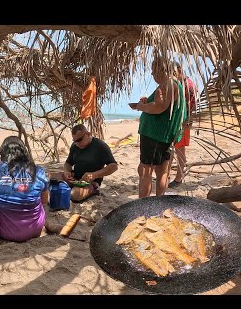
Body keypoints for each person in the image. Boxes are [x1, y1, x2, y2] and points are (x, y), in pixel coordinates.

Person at [0, 136, 49, 242]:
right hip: (36, 229)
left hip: (6, 232)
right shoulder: (38, 171)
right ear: (24, 152)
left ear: (2, 152)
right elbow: (44, 201)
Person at [130, 56, 186, 198]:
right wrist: (146, 102)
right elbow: (162, 105)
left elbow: (159, 107)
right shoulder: (174, 84)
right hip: (164, 135)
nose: (152, 75)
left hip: (155, 135)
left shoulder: (168, 84)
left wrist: (142, 106)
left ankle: (143, 205)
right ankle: (159, 203)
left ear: (161, 69)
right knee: (162, 171)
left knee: (145, 171)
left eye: (153, 71)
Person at [62, 124, 118, 202]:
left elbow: (114, 166)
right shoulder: (75, 146)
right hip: (74, 179)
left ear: (88, 134)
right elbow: (68, 163)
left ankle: (94, 190)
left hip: (91, 182)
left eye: (80, 140)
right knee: (52, 179)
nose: (77, 143)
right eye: (75, 141)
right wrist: (67, 171)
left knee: (75, 194)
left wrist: (94, 175)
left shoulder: (100, 146)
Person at [168, 61, 198, 189]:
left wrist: (185, 123)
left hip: (183, 122)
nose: (171, 77)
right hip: (177, 121)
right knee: (173, 148)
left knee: (179, 149)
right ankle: (169, 175)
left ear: (179, 71)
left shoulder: (188, 86)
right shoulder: (181, 83)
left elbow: (191, 107)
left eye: (173, 73)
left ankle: (179, 177)